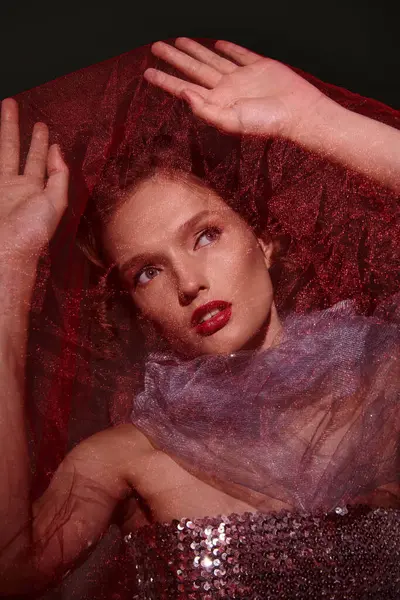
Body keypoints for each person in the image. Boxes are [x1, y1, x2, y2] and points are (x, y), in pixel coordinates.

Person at [0, 38, 399, 598]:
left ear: (262, 240)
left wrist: (320, 124)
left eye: (205, 235)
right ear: (135, 310)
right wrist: (11, 265)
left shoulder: (385, 383)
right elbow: (11, 574)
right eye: (148, 272)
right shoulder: (125, 457)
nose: (189, 283)